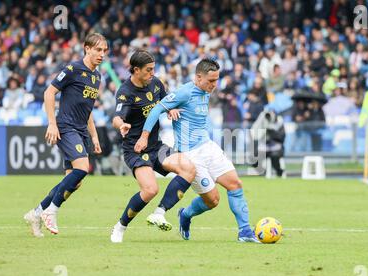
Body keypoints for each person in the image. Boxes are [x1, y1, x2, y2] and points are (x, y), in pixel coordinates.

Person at [135, 58, 260, 243]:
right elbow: (155, 110)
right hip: (190, 156)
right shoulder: (185, 92)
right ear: (198, 77)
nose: (214, 85)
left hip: (208, 147)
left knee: (235, 184)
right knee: (213, 200)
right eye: (211, 81)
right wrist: (144, 136)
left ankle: (245, 232)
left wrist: (174, 109)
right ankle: (185, 214)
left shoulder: (206, 90)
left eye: (216, 80)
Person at [23, 33, 108, 237]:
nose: (102, 54)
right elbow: (49, 93)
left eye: (104, 50)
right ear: (87, 48)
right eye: (98, 49)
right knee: (83, 167)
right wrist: (52, 124)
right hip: (66, 126)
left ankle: (36, 213)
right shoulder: (73, 69)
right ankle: (51, 211)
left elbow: (88, 111)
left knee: (74, 181)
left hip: (81, 130)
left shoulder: (97, 77)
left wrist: (94, 136)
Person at [109, 49, 196, 243]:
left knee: (189, 169)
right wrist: (121, 125)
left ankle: (159, 212)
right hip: (136, 149)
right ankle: (120, 226)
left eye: (153, 69)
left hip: (156, 146)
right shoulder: (125, 92)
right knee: (150, 190)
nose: (152, 73)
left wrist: (171, 109)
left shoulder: (155, 84)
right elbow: (116, 117)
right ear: (136, 70)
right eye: (148, 70)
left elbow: (166, 102)